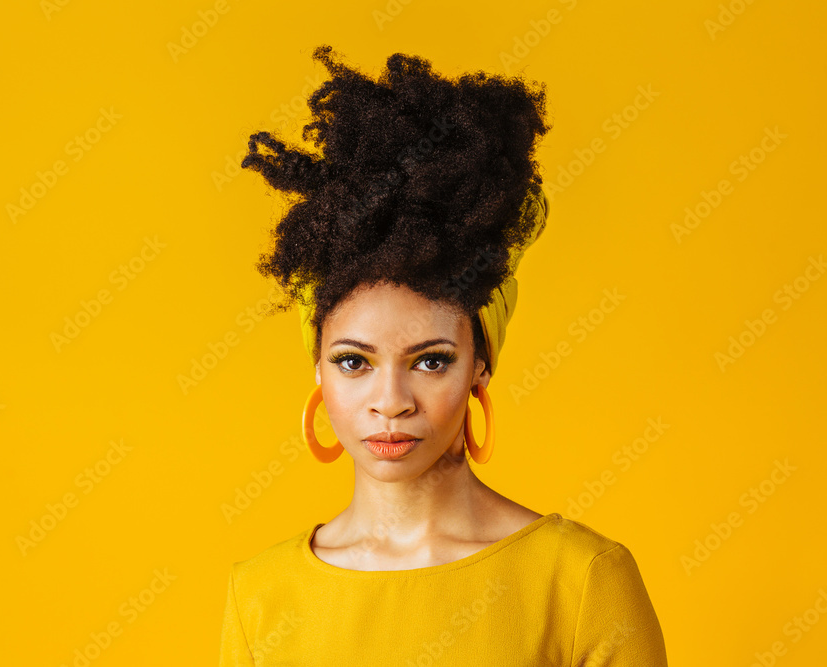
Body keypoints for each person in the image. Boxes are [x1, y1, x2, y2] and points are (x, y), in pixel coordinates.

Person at [220, 44, 667, 666]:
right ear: (317, 366)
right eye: (355, 361)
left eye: (430, 360)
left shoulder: (583, 581)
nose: (391, 403)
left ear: (480, 363)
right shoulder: (260, 596)